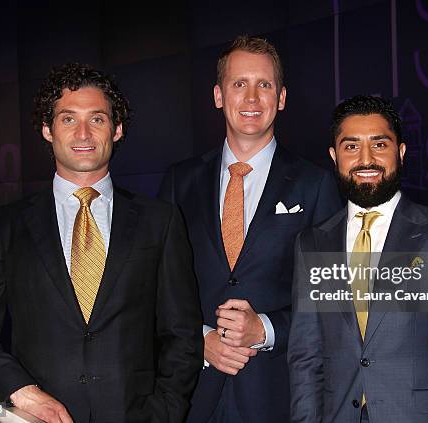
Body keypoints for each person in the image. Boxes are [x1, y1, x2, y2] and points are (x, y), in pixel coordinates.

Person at [0, 63, 203, 423]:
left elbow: (182, 335)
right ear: (47, 130)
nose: (83, 133)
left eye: (97, 119)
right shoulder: (6, 226)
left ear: (117, 129)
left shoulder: (160, 221)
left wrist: (163, 413)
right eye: (68, 119)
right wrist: (22, 392)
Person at [158, 36, 341, 423]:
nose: (253, 97)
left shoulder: (317, 185)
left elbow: (332, 298)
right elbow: (154, 288)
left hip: (279, 397)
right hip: (192, 397)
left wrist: (265, 329)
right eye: (239, 84)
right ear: (218, 96)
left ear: (283, 97)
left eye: (265, 85)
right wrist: (199, 339)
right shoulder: (180, 181)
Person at [288, 95, 428, 423]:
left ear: (400, 152)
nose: (366, 159)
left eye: (379, 144)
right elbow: (306, 358)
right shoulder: (312, 244)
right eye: (351, 147)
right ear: (334, 157)